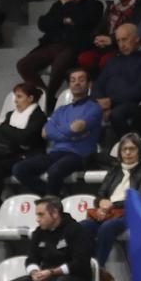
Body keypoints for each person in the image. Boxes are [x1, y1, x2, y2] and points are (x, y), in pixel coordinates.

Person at [12, 68, 101, 197]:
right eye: (72, 80)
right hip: (56, 153)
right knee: (19, 168)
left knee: (54, 171)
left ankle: (50, 199)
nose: (76, 83)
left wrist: (61, 133)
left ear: (89, 84)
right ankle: (55, 194)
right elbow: (45, 132)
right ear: (69, 84)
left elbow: (76, 128)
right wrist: (71, 134)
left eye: (81, 80)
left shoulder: (94, 107)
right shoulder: (61, 109)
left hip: (80, 155)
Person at [89, 133, 141, 281]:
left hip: (135, 213)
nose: (127, 153)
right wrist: (102, 202)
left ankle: (98, 268)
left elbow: (140, 198)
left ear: (139, 151)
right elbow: (99, 195)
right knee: (84, 226)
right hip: (110, 212)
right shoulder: (115, 170)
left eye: (132, 149)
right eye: (124, 149)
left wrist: (110, 206)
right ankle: (88, 266)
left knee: (107, 227)